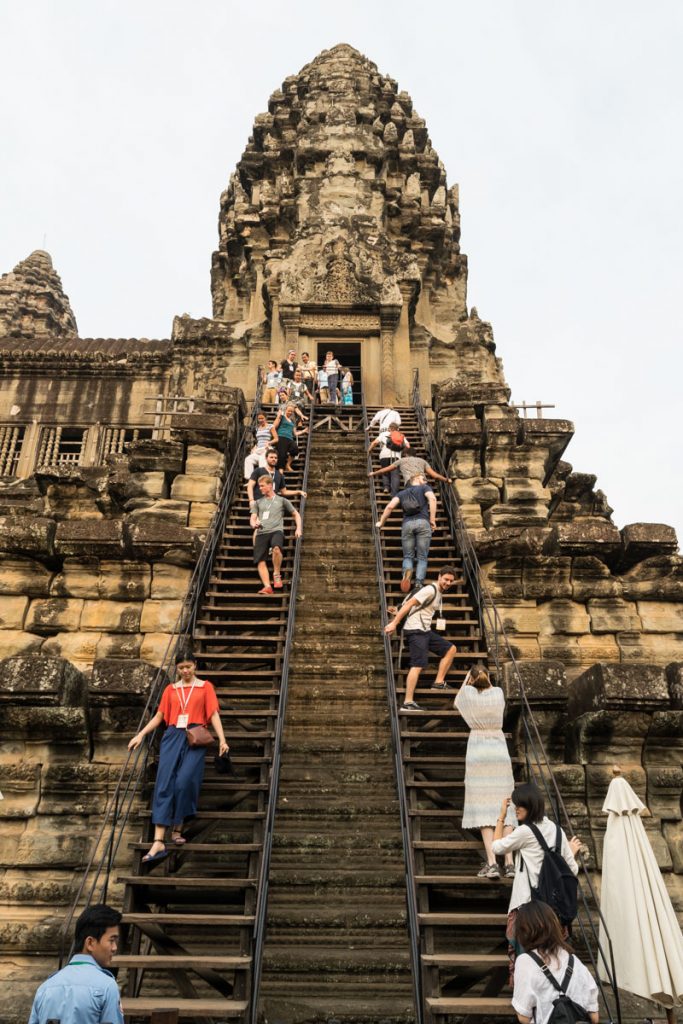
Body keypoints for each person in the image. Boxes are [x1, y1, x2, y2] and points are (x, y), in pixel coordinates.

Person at [128, 651, 228, 861]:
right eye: (181, 668)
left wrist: (222, 740)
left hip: (196, 735)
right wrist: (140, 734)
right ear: (177, 669)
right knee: (164, 784)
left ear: (195, 665)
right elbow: (160, 716)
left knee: (184, 782)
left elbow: (213, 714)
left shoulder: (205, 687)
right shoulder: (171, 689)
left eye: (188, 667)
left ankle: (178, 827)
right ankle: (158, 842)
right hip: (172, 735)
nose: (185, 671)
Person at [491, 782, 582, 981]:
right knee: (551, 961)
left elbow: (497, 847)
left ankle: (526, 1001)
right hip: (553, 911)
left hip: (528, 907)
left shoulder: (525, 832)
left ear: (530, 805)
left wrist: (501, 817)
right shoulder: (558, 831)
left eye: (519, 805)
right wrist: (571, 852)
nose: (516, 809)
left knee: (527, 960)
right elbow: (572, 870)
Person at [454, 667, 517, 878]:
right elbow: (489, 686)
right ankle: (509, 862)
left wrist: (467, 681)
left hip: (478, 750)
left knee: (482, 808)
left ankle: (492, 863)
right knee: (505, 805)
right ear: (488, 678)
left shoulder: (469, 694)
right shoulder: (498, 693)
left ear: (471, 679)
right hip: (498, 749)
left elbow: (457, 702)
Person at [28, 904, 123, 1024]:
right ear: (90, 943)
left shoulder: (45, 988)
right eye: (111, 940)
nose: (115, 948)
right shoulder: (107, 986)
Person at [384, 566, 458, 710]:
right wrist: (394, 623)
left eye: (451, 581)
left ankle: (438, 682)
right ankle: (407, 702)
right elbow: (409, 604)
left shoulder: (439, 592)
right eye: (446, 579)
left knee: (451, 649)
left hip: (424, 630)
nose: (448, 583)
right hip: (415, 630)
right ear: (439, 577)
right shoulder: (430, 590)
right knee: (417, 665)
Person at [512, 902, 599, 1024]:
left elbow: (523, 1017)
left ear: (523, 931)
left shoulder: (525, 961)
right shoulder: (575, 961)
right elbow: (594, 1017)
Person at [376, 473, 437, 592]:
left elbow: (389, 507)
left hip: (407, 524)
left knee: (408, 555)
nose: (425, 481)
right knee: (422, 556)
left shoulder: (401, 493)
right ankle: (418, 583)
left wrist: (381, 522)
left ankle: (407, 573)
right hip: (423, 522)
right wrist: (433, 520)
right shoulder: (425, 488)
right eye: (423, 478)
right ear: (416, 479)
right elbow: (432, 498)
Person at [250, 473, 302, 594]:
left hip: (276, 531)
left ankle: (276, 573)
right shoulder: (258, 502)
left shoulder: (282, 500)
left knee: (277, 549)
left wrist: (298, 528)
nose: (260, 488)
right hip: (262, 532)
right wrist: (253, 524)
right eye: (259, 486)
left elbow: (296, 514)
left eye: (262, 486)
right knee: (260, 560)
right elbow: (253, 517)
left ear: (270, 485)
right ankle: (267, 586)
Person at [370, 449, 449, 489]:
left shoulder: (401, 461)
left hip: (411, 483)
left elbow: (385, 469)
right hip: (423, 483)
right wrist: (446, 480)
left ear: (406, 454)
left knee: (411, 504)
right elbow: (435, 476)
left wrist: (373, 473)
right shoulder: (422, 461)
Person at [369, 421, 408, 496]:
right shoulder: (400, 435)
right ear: (397, 429)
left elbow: (374, 443)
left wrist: (369, 450)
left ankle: (386, 487)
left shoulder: (383, 434)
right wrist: (404, 453)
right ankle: (394, 493)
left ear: (389, 428)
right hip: (396, 456)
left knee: (385, 472)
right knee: (395, 475)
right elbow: (407, 445)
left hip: (384, 455)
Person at [243, 411, 277, 478]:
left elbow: (276, 439)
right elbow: (258, 440)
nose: (260, 420)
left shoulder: (270, 426)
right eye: (259, 418)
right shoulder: (257, 428)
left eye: (262, 418)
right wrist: (255, 447)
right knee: (248, 459)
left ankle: (262, 479)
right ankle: (250, 479)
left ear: (266, 418)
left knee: (262, 460)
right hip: (258, 449)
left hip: (266, 449)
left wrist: (269, 442)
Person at [273, 403, 304, 471]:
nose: (290, 412)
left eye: (291, 411)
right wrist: (278, 416)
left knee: (295, 450)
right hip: (281, 436)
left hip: (290, 438)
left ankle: (287, 464)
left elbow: (295, 433)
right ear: (285, 410)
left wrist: (304, 431)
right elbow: (274, 426)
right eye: (289, 410)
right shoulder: (282, 417)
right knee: (282, 455)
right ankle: (280, 471)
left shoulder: (292, 421)